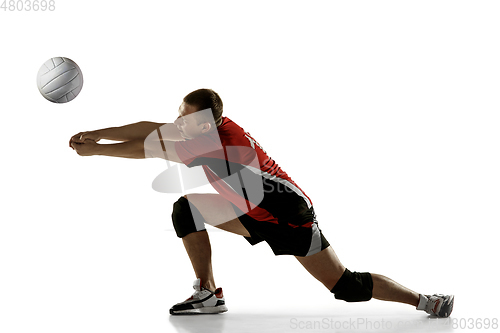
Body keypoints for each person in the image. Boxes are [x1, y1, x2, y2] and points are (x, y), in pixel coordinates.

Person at [69, 88, 454, 317]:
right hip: (248, 211)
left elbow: (150, 148)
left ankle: (426, 301)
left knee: (345, 286)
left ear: (204, 125)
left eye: (183, 117)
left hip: (290, 218)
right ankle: (208, 293)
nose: (176, 120)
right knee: (187, 208)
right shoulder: (208, 126)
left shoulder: (221, 149)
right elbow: (153, 131)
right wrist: (95, 135)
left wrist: (98, 153)